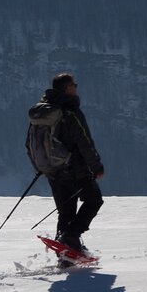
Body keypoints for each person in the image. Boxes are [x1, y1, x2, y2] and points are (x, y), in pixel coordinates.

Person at [34, 72, 104, 261]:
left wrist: (40, 166)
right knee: (94, 200)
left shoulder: (43, 112)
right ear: (67, 88)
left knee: (66, 211)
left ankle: (65, 254)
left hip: (52, 171)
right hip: (74, 169)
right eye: (74, 85)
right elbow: (84, 142)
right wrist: (96, 167)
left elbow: (32, 143)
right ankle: (70, 238)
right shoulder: (70, 112)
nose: (76, 88)